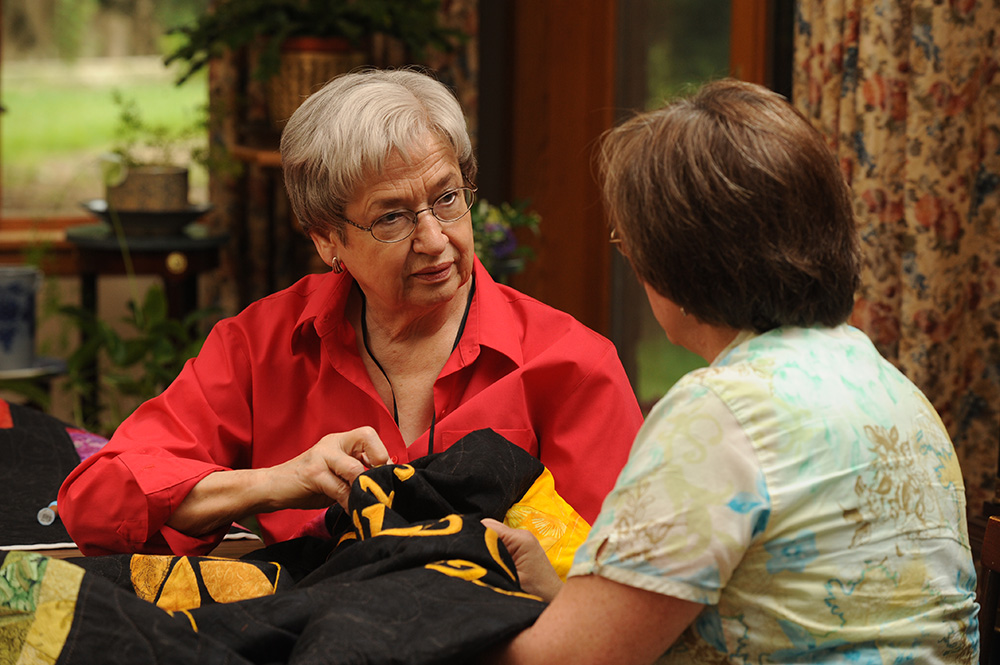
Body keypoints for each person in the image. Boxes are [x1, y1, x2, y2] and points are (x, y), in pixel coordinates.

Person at [483, 79, 980, 664]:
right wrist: (564, 596)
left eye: (631, 244)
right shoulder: (891, 388)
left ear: (679, 262)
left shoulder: (721, 412)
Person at [59, 68, 643, 556]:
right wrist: (276, 484)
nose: (435, 239)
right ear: (327, 240)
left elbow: (618, 584)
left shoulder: (571, 365)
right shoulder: (263, 345)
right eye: (391, 218)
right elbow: (97, 502)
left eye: (446, 198)